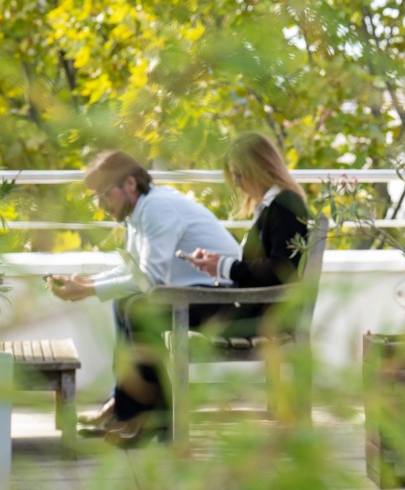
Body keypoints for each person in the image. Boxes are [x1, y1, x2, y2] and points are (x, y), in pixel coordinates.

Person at [48, 150, 241, 444]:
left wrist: (87, 290)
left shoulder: (156, 209)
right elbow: (135, 271)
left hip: (225, 300)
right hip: (197, 294)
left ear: (129, 184)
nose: (100, 205)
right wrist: (88, 283)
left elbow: (150, 280)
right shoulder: (140, 211)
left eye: (104, 195)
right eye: (96, 198)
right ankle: (128, 409)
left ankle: (144, 418)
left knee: (138, 308)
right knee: (125, 302)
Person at [185, 132, 312, 331]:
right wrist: (219, 265)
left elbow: (280, 269)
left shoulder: (285, 205)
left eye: (239, 174)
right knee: (162, 306)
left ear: (259, 169)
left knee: (156, 312)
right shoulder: (272, 207)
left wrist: (225, 266)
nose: (236, 183)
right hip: (252, 308)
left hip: (261, 317)